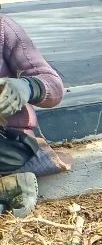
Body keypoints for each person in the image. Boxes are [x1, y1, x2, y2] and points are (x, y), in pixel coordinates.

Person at [0, 12, 66, 216]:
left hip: (8, 138)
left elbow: (54, 86)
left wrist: (28, 87)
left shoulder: (4, 28)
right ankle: (8, 189)